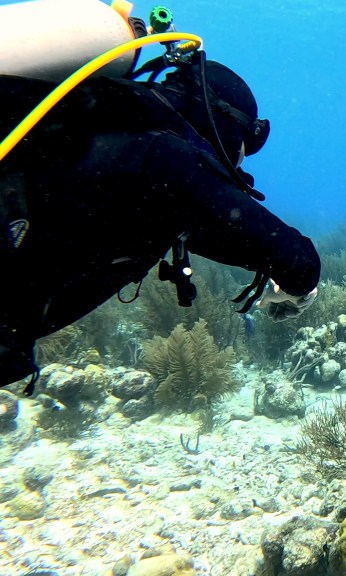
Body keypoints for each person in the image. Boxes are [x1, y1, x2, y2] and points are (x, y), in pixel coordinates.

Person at [0, 53, 321, 392]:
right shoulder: (163, 156)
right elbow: (297, 261)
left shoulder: (136, 154)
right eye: (246, 143)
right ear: (221, 118)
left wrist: (274, 276)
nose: (241, 157)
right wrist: (296, 280)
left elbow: (213, 231)